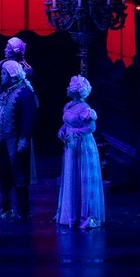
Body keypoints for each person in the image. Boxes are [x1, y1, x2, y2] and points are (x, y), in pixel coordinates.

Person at [54, 75, 105, 229]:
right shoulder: (69, 105)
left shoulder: (85, 108)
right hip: (70, 145)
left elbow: (91, 128)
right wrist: (62, 130)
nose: (67, 88)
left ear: (76, 91)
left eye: (70, 87)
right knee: (71, 175)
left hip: (82, 145)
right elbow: (67, 123)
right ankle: (69, 213)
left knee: (82, 176)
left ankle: (85, 215)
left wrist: (74, 134)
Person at [0, 59, 38, 221]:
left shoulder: (25, 93)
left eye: (4, 73)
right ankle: (6, 209)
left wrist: (24, 138)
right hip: (1, 141)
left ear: (12, 75)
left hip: (16, 142)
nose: (1, 76)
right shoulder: (3, 92)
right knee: (4, 175)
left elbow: (28, 119)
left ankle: (22, 212)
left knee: (19, 176)